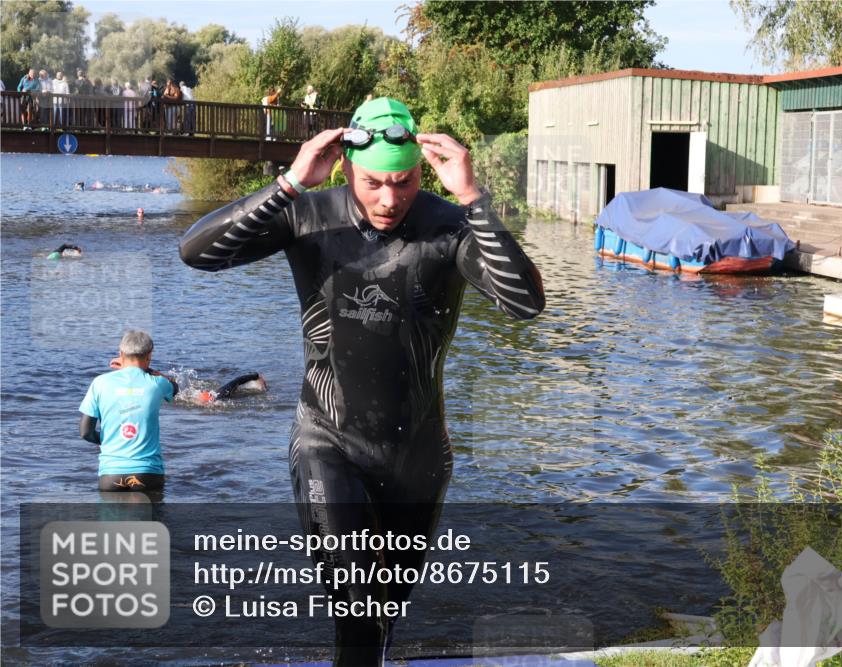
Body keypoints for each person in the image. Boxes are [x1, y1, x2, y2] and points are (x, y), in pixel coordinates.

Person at [179, 97, 545, 664]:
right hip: (329, 440)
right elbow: (195, 253)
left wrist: (473, 199)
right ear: (347, 167)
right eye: (374, 182)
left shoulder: (448, 226)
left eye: (403, 183)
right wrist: (290, 184)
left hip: (419, 454)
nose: (389, 199)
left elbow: (524, 305)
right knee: (354, 603)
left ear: (422, 172)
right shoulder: (308, 215)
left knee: (382, 615)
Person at [79, 330, 178, 493]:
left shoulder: (99, 383)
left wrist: (105, 439)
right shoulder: (157, 383)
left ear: (121, 353)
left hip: (110, 476)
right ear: (150, 355)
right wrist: (151, 371)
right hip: (148, 474)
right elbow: (174, 387)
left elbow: (85, 432)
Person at [195, 372, 268, 404]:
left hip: (221, 393)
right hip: (219, 395)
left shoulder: (221, 394)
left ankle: (256, 375)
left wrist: (256, 376)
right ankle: (255, 376)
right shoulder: (217, 398)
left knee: (236, 382)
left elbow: (237, 380)